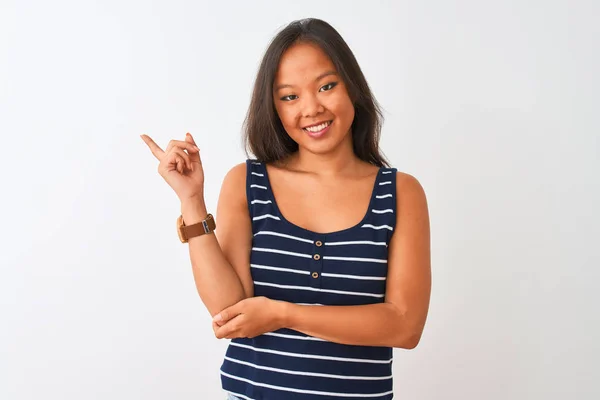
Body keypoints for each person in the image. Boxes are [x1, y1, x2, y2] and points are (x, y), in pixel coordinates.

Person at [141, 18, 431, 400]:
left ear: (353, 89)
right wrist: (191, 200)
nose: (311, 108)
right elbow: (230, 310)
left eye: (327, 86)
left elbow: (404, 326)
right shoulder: (248, 183)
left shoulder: (400, 193)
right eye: (289, 96)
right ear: (273, 107)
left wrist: (283, 313)